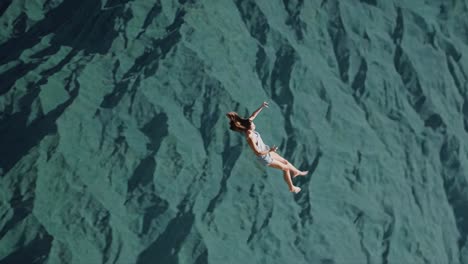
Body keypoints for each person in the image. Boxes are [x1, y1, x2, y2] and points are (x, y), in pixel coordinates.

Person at [226, 102, 308, 194]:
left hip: (266, 150)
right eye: (252, 124)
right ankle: (291, 187)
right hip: (264, 157)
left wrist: (261, 106)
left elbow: (253, 115)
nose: (254, 125)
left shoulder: (248, 124)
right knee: (285, 168)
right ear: (248, 127)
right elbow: (257, 152)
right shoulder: (250, 137)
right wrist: (270, 150)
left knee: (285, 162)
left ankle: (297, 172)